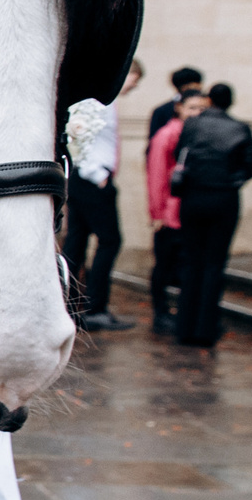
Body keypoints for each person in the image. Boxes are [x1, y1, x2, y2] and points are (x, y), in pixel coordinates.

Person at [171, 82, 252, 346]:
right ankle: (205, 329)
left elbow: (179, 154)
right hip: (223, 199)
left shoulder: (192, 125)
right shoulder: (240, 128)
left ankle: (184, 328)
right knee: (214, 263)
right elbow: (250, 167)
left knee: (192, 261)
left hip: (193, 197)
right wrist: (229, 181)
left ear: (209, 100)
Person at [65, 63, 138, 330]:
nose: (133, 85)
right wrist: (96, 174)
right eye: (134, 78)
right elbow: (77, 134)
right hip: (91, 179)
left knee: (77, 241)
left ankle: (71, 305)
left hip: (85, 178)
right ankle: (95, 307)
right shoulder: (97, 102)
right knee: (109, 241)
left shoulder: (98, 101)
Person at [145, 89, 203, 330]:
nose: (197, 113)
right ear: (180, 108)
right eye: (192, 108)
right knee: (164, 264)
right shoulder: (167, 135)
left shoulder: (197, 134)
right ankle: (161, 313)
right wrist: (157, 213)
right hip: (170, 213)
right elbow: (157, 174)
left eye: (201, 108)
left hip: (189, 212)